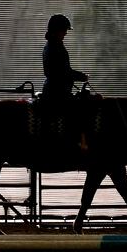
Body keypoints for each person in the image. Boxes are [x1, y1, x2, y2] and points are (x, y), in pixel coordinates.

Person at [41, 14, 90, 152]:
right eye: (64, 30)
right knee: (80, 111)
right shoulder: (54, 48)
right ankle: (76, 144)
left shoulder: (53, 46)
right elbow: (62, 72)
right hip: (57, 92)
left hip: (56, 89)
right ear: (56, 30)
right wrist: (81, 76)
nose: (65, 33)